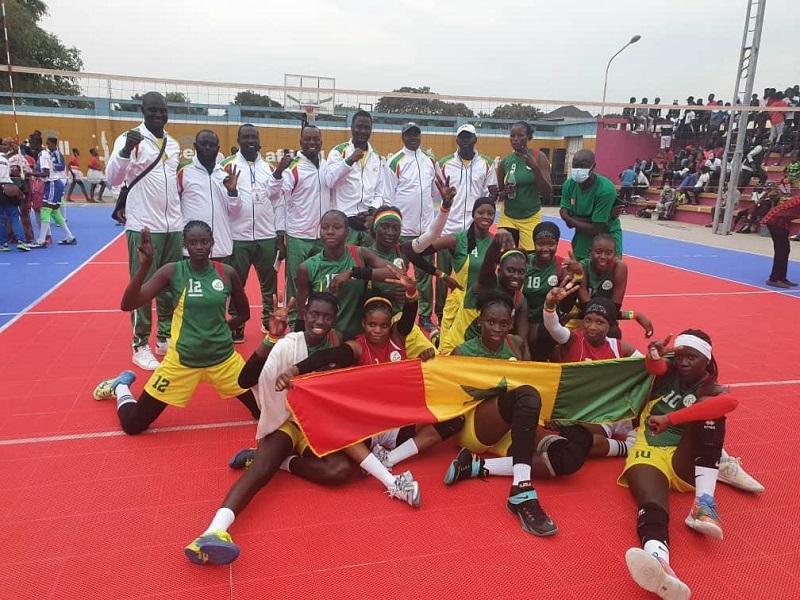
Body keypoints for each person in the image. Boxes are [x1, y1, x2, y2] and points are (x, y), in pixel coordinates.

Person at [185, 292, 353, 566]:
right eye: (314, 314)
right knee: (260, 473)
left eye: (327, 316)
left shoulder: (339, 342)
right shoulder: (287, 344)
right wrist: (270, 339)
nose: (319, 321)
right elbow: (245, 379)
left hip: (317, 423)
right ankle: (213, 530)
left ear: (335, 319)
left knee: (341, 471)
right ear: (305, 314)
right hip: (286, 419)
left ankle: (283, 462)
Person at [275, 267, 458, 506]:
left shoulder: (398, 339)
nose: (378, 331)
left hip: (396, 420)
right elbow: (326, 357)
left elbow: (407, 319)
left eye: (383, 326)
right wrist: (294, 371)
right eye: (372, 325)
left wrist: (412, 293)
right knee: (338, 424)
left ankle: (389, 459)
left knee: (454, 418)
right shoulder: (357, 346)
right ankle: (391, 481)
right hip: (366, 426)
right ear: (364, 324)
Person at [443, 291, 590, 536]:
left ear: (510, 323)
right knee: (525, 394)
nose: (497, 328)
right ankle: (521, 492)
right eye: (490, 322)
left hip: (515, 426)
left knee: (571, 454)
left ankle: (477, 466)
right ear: (479, 321)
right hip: (477, 426)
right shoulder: (462, 351)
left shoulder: (517, 344)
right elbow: (448, 395)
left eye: (503, 323)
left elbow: (533, 379)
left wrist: (546, 417)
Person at [92, 220, 261, 434]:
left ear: (212, 243)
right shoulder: (172, 272)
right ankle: (120, 386)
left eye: (204, 242)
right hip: (181, 363)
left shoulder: (227, 272)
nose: (199, 247)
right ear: (185, 245)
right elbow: (128, 304)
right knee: (133, 425)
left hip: (224, 362)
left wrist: (222, 328)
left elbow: (244, 313)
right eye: (193, 242)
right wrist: (144, 266)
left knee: (264, 414)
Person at [620, 330, 739, 600]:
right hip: (648, 447)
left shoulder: (711, 387)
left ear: (706, 361)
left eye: (691, 358)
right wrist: (653, 354)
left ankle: (703, 504)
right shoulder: (669, 370)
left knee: (713, 410)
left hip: (683, 456)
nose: (683, 362)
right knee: (650, 501)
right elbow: (656, 366)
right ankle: (660, 563)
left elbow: (730, 402)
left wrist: (671, 419)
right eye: (681, 356)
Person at [106, 91, 183, 370]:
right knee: (143, 286)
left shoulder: (173, 145)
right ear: (142, 110)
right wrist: (126, 151)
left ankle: (165, 337)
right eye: (152, 110)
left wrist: (181, 222)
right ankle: (140, 344)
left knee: (171, 287)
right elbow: (113, 177)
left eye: (162, 110)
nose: (158, 115)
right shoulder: (130, 139)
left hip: (173, 226)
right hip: (143, 226)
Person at [220, 124, 284, 342]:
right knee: (237, 283)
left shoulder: (269, 168)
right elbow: (226, 206)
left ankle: (268, 320)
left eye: (253, 137)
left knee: (270, 284)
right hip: (238, 236)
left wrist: (279, 234)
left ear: (259, 140)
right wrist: (233, 191)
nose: (250, 141)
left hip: (266, 236)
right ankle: (237, 323)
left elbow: (278, 202)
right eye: (245, 137)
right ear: (238, 140)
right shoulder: (226, 167)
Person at [295, 210, 394, 338]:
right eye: (325, 227)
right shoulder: (307, 267)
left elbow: (395, 272)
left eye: (337, 227)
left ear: (347, 232)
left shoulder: (360, 254)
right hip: (324, 339)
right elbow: (301, 313)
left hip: (357, 337)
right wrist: (297, 341)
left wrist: (354, 272)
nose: (330, 231)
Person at [383, 122, 444, 331]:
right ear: (403, 137)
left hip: (425, 232)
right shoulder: (394, 162)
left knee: (425, 276)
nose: (413, 138)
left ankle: (425, 316)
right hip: (402, 232)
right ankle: (397, 312)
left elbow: (437, 191)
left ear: (420, 137)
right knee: (397, 274)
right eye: (409, 134)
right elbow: (388, 197)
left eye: (416, 134)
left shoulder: (429, 161)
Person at [409, 196, 495, 344]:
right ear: (473, 214)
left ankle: (436, 337)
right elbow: (413, 253)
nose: (485, 216)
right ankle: (437, 338)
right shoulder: (458, 239)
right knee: (448, 350)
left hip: (483, 306)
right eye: (481, 212)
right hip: (458, 304)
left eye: (490, 213)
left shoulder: (496, 242)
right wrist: (442, 275)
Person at [266, 124, 329, 327]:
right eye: (307, 139)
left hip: (323, 236)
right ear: (300, 142)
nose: (312, 143)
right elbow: (273, 195)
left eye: (315, 139)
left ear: (321, 142)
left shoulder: (327, 166)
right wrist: (278, 171)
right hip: (298, 235)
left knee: (321, 280)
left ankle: (320, 319)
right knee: (296, 282)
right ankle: (294, 321)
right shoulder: (293, 168)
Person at [438, 231, 528, 355]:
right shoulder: (485, 284)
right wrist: (496, 244)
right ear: (499, 270)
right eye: (511, 270)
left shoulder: (520, 300)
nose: (516, 276)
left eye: (521, 272)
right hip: (459, 347)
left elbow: (523, 340)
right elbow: (488, 264)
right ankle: (436, 339)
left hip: (489, 350)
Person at [570, 233, 653, 339]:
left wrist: (635, 315)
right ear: (590, 252)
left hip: (606, 318)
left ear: (615, 254)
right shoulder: (582, 267)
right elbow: (587, 308)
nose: (603, 257)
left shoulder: (619, 268)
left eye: (608, 253)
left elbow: (613, 310)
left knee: (613, 333)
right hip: (580, 314)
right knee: (566, 341)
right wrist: (634, 315)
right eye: (598, 252)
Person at [178, 130, 239, 264]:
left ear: (217, 149)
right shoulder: (183, 170)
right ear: (195, 146)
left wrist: (233, 193)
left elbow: (234, 212)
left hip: (221, 247)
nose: (207, 147)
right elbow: (172, 205)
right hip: (191, 248)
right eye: (203, 144)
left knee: (223, 284)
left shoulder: (225, 174)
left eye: (211, 145)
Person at [325, 110, 384, 246]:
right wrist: (349, 161)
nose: (362, 131)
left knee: (367, 264)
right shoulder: (339, 152)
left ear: (371, 130)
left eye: (366, 128)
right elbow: (330, 181)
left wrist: (372, 212)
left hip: (368, 223)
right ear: (351, 127)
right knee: (344, 264)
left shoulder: (377, 157)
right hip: (344, 222)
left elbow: (380, 192)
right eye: (359, 127)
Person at [496, 121, 552, 251]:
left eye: (520, 135)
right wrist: (503, 192)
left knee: (531, 257)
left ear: (528, 137)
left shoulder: (539, 157)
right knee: (505, 255)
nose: (515, 139)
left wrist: (535, 168)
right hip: (508, 216)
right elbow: (500, 195)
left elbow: (547, 192)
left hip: (530, 216)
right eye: (512, 136)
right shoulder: (505, 162)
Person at [522, 222, 572, 360]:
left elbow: (567, 306)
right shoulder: (524, 263)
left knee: (541, 336)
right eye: (540, 244)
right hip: (523, 318)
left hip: (547, 322)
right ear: (533, 243)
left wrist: (576, 277)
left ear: (557, 243)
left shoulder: (561, 266)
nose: (545, 248)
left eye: (550, 244)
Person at [560, 149, 623, 261]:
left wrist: (571, 219)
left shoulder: (606, 190)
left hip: (606, 237)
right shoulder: (569, 185)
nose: (578, 169)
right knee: (579, 275)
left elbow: (595, 229)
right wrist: (606, 216)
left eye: (583, 166)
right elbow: (564, 214)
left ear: (592, 167)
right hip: (581, 239)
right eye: (575, 166)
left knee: (610, 273)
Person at [27, 136, 78, 248]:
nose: (29, 145)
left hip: (52, 184)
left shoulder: (44, 155)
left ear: (37, 143)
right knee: (55, 212)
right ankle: (70, 237)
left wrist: (30, 174)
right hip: (51, 184)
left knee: (45, 209)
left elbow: (46, 174)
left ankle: (41, 240)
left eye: (31, 142)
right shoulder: (43, 155)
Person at [761, 194, 800, 288]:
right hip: (776, 219)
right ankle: (773, 279)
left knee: (785, 249)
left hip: (783, 220)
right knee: (781, 250)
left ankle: (782, 277)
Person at [0, 164, 29, 251]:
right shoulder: (5, 161)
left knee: (1, 220)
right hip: (9, 191)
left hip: (2, 191)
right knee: (15, 218)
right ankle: (21, 241)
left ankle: (3, 244)